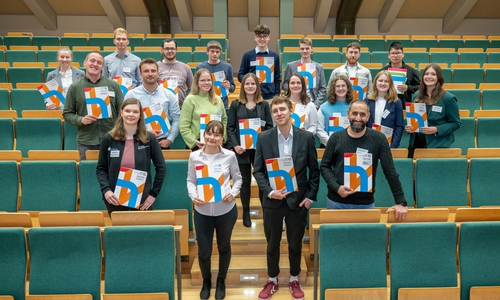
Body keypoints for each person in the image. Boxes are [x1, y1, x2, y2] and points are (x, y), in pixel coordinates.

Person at [253, 96, 319, 300]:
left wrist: (310, 198)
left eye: (283, 109)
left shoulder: (306, 137)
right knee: (272, 243)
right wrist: (270, 192)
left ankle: (293, 278)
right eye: (275, 111)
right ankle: (272, 279)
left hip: (297, 202)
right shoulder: (263, 137)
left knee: (295, 243)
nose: (279, 113)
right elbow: (258, 171)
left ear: (291, 111)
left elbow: (314, 172)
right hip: (272, 200)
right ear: (272, 114)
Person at [320, 100, 408, 218]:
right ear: (348, 114)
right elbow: (325, 166)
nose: (358, 118)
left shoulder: (379, 139)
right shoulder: (336, 138)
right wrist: (337, 188)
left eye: (362, 114)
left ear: (368, 116)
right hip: (336, 202)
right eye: (354, 113)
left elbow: (390, 171)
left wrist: (400, 201)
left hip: (365, 204)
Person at [187, 120, 242, 300]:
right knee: (204, 250)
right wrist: (193, 195)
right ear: (204, 135)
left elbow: (239, 179)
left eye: (217, 134)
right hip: (202, 212)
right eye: (209, 133)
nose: (212, 137)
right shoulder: (194, 156)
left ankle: (221, 281)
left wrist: (233, 193)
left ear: (222, 137)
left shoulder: (229, 156)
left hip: (226, 211)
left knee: (224, 246)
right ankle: (206, 281)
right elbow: (191, 180)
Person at [96, 98, 166, 215]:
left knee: (141, 232)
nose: (131, 114)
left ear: (140, 115)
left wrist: (153, 194)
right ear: (121, 112)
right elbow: (101, 169)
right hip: (114, 198)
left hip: (142, 199)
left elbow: (161, 168)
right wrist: (106, 190)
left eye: (135, 112)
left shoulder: (149, 139)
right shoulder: (109, 138)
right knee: (120, 233)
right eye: (128, 111)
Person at [226, 73, 273, 227]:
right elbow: (230, 127)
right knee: (245, 182)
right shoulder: (235, 105)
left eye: (253, 84)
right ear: (243, 86)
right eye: (247, 84)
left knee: (262, 182)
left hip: (260, 150)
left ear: (257, 86)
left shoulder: (264, 105)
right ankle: (246, 212)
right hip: (241, 150)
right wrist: (235, 145)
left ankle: (266, 210)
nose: (250, 86)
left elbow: (269, 127)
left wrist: (263, 145)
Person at [63, 51, 124, 160]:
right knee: (88, 173)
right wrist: (81, 120)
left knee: (113, 173)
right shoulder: (75, 87)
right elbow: (67, 113)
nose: (95, 64)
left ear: (102, 66)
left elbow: (122, 111)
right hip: (86, 141)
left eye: (99, 62)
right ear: (85, 62)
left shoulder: (113, 85)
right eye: (92, 60)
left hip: (112, 138)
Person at [406, 64, 461, 158]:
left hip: (437, 145)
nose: (429, 77)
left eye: (433, 74)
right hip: (415, 145)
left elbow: (456, 123)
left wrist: (436, 129)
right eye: (426, 74)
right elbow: (414, 119)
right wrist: (409, 128)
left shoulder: (448, 98)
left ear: (438, 77)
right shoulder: (416, 95)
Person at [125, 58, 180, 150]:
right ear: (141, 74)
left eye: (153, 71)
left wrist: (170, 139)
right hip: (138, 140)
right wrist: (142, 132)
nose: (150, 74)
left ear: (158, 74)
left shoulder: (169, 95)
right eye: (146, 71)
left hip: (162, 142)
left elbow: (177, 119)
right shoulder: (131, 95)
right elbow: (125, 119)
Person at [179, 68, 227, 151]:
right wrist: (194, 142)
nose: (206, 83)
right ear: (197, 83)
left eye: (209, 80)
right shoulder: (190, 99)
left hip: (216, 143)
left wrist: (222, 137)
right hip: (198, 145)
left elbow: (224, 120)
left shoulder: (218, 99)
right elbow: (183, 126)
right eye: (202, 80)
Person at [238, 24, 281, 100]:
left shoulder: (275, 56)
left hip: (270, 96)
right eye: (259, 36)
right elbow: (240, 75)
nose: (262, 39)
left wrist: (277, 95)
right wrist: (251, 80)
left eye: (264, 36)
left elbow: (277, 77)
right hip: (252, 96)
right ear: (255, 38)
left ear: (269, 37)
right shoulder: (247, 55)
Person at [282, 37, 327, 107]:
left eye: (307, 48)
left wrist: (316, 105)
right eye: (302, 49)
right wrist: (294, 88)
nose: (305, 51)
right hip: (295, 102)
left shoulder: (319, 67)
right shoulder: (291, 66)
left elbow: (323, 88)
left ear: (312, 49)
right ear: (299, 50)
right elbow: (284, 85)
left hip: (312, 102)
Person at [365, 70, 404, 148]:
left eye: (386, 81)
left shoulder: (396, 102)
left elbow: (399, 126)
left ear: (390, 84)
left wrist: (394, 145)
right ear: (375, 83)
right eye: (380, 81)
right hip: (369, 142)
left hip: (388, 143)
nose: (383, 83)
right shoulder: (367, 100)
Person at [195, 40, 235, 110]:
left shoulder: (228, 66)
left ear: (220, 53)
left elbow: (233, 88)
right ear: (207, 52)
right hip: (205, 104)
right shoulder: (200, 67)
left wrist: (229, 86)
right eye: (212, 51)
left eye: (217, 52)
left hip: (223, 104)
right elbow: (196, 86)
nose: (215, 54)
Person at [316, 75, 354, 147]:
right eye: (337, 86)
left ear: (348, 88)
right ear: (333, 89)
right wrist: (331, 142)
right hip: (328, 146)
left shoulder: (354, 106)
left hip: (350, 145)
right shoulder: (323, 107)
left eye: (343, 86)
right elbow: (319, 128)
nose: (341, 88)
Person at [380, 41, 421, 106]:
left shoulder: (411, 71)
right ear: (389, 55)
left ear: (403, 54)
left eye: (398, 53)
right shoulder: (383, 71)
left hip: (404, 106)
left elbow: (420, 87)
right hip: (386, 104)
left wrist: (408, 88)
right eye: (393, 53)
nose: (395, 55)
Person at [158, 38, 194, 108]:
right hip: (161, 108)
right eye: (166, 49)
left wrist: (188, 103)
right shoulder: (156, 67)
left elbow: (192, 88)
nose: (170, 51)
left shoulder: (185, 67)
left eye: (172, 48)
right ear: (162, 50)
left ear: (176, 49)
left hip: (181, 107)